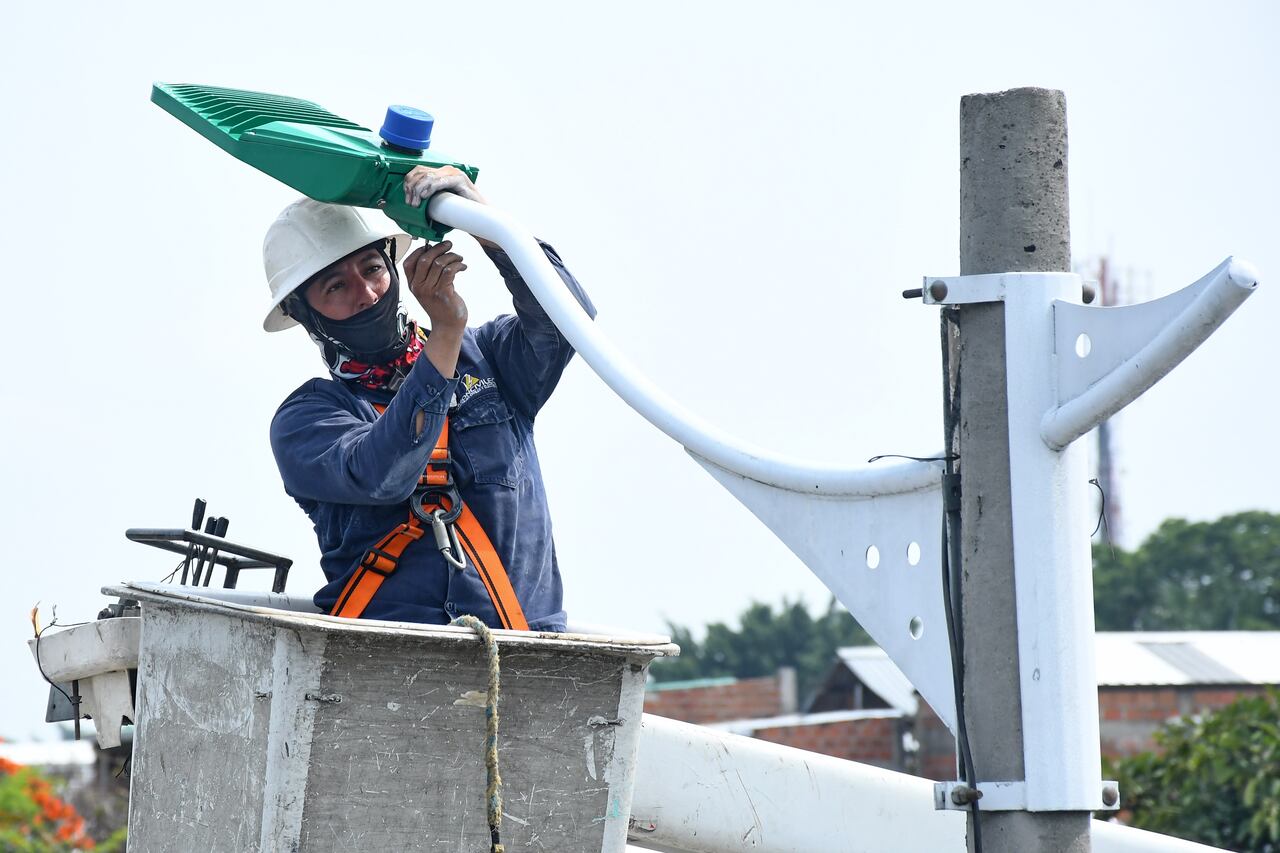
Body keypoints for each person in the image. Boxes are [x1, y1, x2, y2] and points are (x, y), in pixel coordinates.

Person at [264, 166, 593, 632]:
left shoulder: (490, 359)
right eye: (336, 286)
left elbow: (568, 319)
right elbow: (383, 474)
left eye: (373, 269)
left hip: (526, 653)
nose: (367, 293)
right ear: (302, 312)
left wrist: (488, 224)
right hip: (390, 664)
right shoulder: (308, 419)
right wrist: (445, 335)